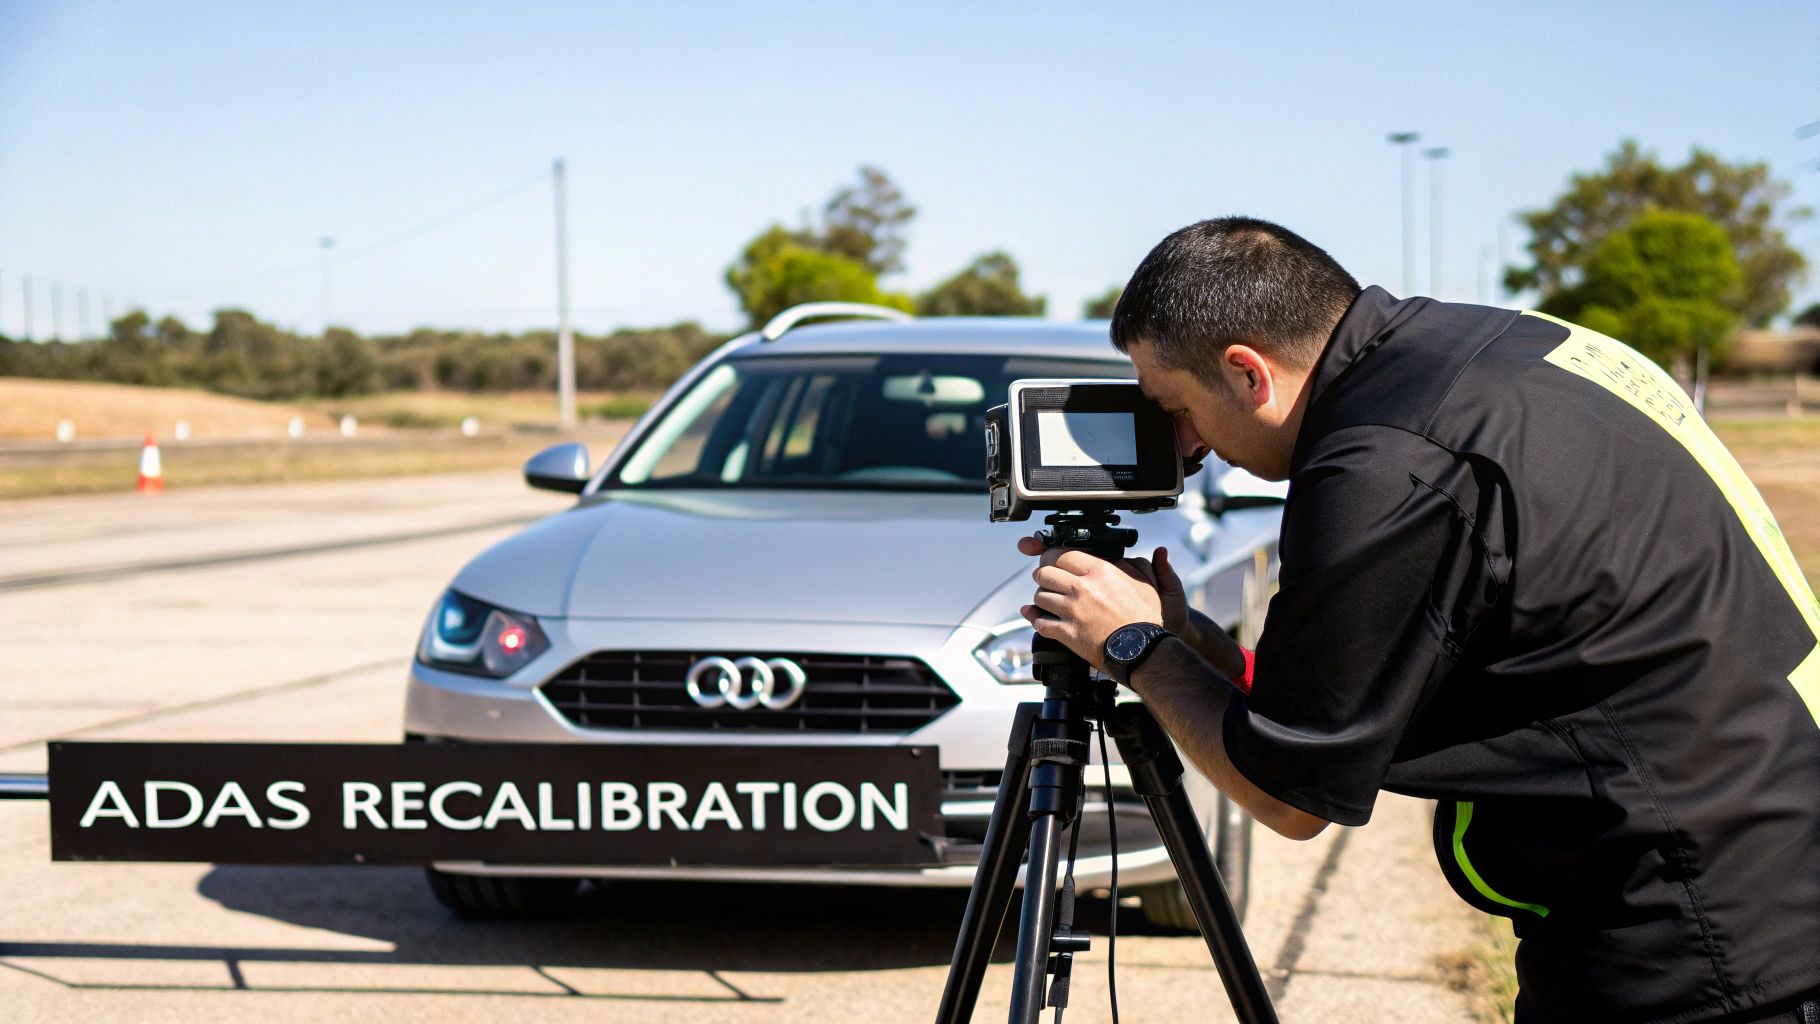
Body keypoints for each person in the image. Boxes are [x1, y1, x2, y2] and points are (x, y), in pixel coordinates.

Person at [1021, 217, 1820, 1022]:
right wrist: (1192, 643)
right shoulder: (1506, 348)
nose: (1184, 450)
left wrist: (1133, 646)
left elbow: (1288, 793)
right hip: (1773, 853)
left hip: (1694, 939)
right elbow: (1359, 679)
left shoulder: (1382, 461)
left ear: (1247, 373)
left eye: (1179, 410)